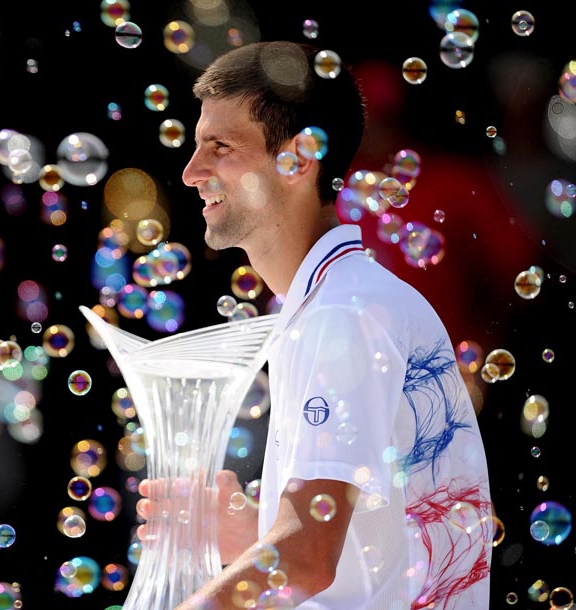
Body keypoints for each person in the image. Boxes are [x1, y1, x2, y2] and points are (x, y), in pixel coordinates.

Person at [136, 41, 493, 610]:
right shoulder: (336, 302)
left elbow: (306, 559)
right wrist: (252, 529)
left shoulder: (340, 315)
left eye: (219, 147)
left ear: (299, 159)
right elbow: (365, 555)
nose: (191, 172)